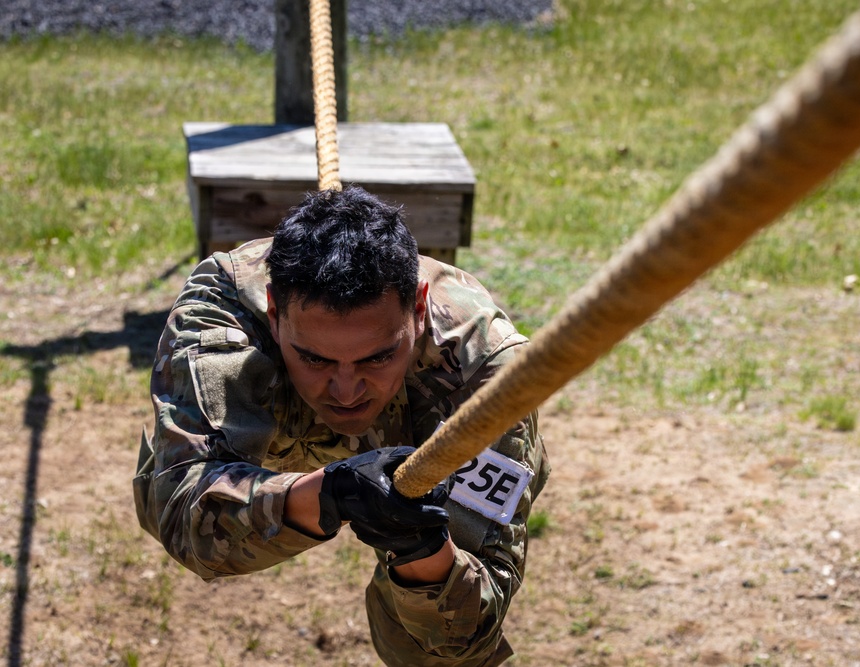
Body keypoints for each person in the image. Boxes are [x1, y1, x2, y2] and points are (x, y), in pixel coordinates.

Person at [133, 186, 550, 666]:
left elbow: (473, 620)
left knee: (437, 651)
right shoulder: (226, 309)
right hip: (276, 439)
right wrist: (330, 496)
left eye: (378, 356)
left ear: (418, 311)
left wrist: (421, 545)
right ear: (273, 313)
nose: (347, 390)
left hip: (424, 426)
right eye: (314, 358)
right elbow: (181, 510)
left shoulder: (484, 371)